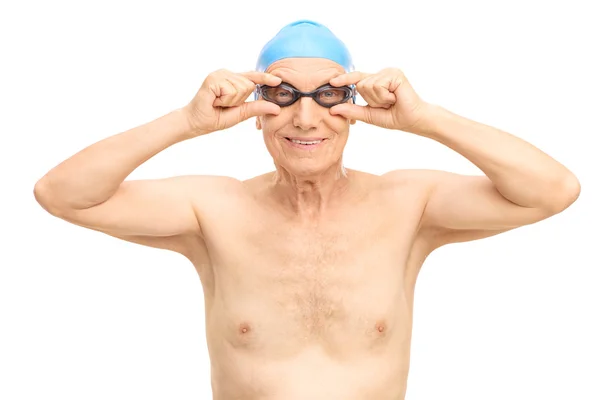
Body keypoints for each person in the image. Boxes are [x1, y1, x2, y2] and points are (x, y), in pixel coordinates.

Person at [33, 19, 580, 400]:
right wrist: (187, 121)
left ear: (354, 108)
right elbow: (62, 193)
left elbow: (552, 190)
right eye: (282, 97)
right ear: (254, 111)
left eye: (327, 98)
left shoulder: (409, 205)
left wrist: (427, 118)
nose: (304, 120)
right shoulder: (213, 210)